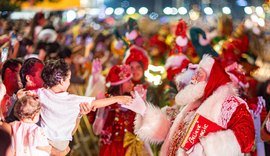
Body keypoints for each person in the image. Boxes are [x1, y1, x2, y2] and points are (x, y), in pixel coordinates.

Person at [134, 55, 255, 155]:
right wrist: (144, 111)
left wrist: (205, 148)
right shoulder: (191, 104)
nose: (193, 79)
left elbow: (247, 136)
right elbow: (166, 131)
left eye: (199, 74)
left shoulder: (229, 104)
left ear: (211, 80)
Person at [19, 59, 132, 152]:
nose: (69, 82)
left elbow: (25, 93)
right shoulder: (72, 100)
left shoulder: (41, 93)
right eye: (69, 79)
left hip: (43, 139)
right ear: (62, 82)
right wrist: (118, 98)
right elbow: (96, 103)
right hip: (61, 144)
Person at [95, 64, 151, 156]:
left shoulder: (132, 98)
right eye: (128, 80)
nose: (132, 84)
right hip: (113, 150)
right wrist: (101, 109)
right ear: (119, 83)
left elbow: (145, 126)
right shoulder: (108, 102)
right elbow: (97, 131)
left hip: (133, 147)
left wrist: (142, 101)